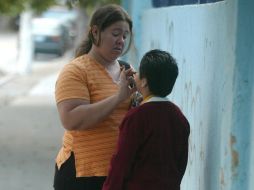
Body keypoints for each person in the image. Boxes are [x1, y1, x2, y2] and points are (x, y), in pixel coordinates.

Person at [53, 4, 136, 190]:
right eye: (115, 34)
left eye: (125, 35)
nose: (121, 41)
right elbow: (71, 119)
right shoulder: (76, 71)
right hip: (82, 174)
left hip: (118, 172)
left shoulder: (126, 69)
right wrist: (118, 98)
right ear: (96, 32)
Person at [102, 49, 190, 190]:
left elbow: (121, 162)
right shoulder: (179, 116)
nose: (134, 75)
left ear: (144, 82)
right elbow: (181, 162)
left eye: (138, 73)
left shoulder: (136, 117)